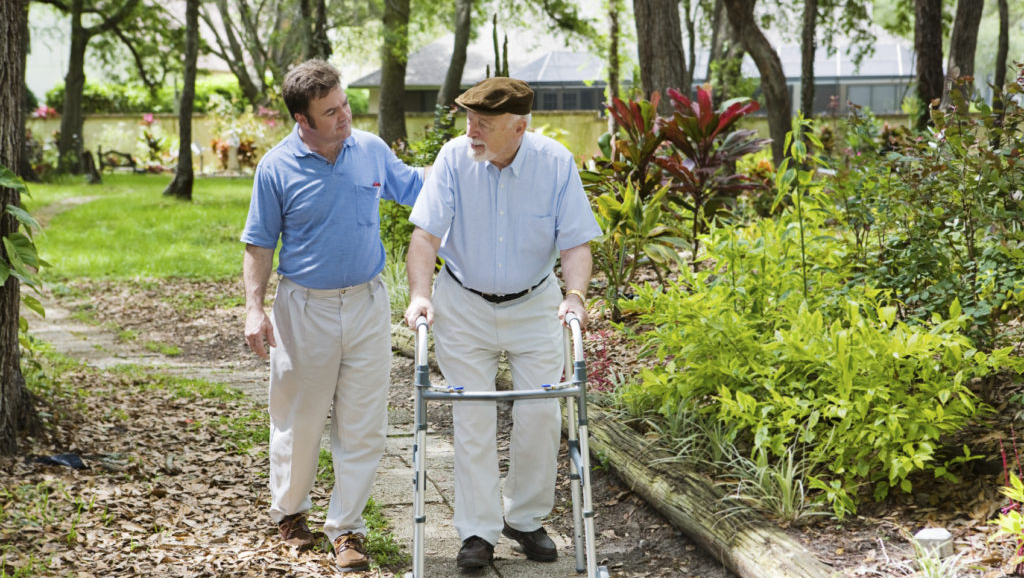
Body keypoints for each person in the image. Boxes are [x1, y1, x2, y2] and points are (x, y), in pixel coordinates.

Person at [403, 77, 600, 573]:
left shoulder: (554, 162)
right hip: (464, 303)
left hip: (535, 303)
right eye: (469, 119)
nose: (471, 130)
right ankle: (477, 530)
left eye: (483, 124)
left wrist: (575, 297)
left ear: (519, 127)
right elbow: (425, 237)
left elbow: (576, 242)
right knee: (473, 418)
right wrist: (420, 295)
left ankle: (526, 518)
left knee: (542, 414)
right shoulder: (452, 159)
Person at [241, 59, 426, 572]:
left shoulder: (369, 150)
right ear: (303, 119)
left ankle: (347, 529)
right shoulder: (276, 168)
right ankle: (291, 514)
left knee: (364, 424)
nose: (345, 116)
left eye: (344, 104)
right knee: (300, 421)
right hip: (304, 309)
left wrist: (470, 161)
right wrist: (255, 310)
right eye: (331, 111)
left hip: (367, 303)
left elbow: (417, 189)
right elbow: (259, 244)